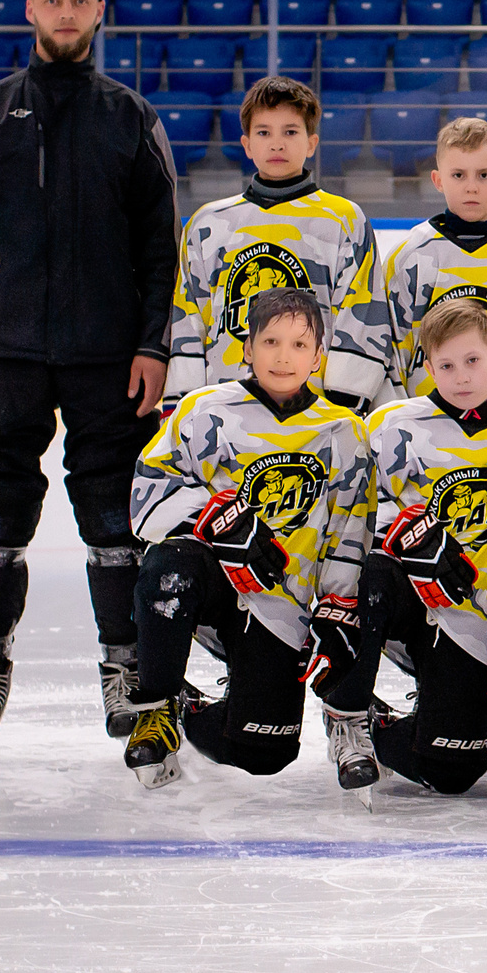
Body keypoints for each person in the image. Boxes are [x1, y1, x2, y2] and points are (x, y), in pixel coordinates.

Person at [0, 0, 183, 757]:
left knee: (115, 517)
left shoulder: (130, 117)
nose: (67, 13)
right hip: (4, 351)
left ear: (99, 12)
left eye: (80, 1)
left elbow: (159, 245)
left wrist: (152, 344)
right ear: (29, 11)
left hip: (109, 355)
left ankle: (125, 668)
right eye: (53, 1)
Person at [120, 288, 373, 789]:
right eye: (271, 342)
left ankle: (192, 705)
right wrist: (215, 518)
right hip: (214, 589)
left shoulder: (342, 432)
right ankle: (157, 704)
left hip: (281, 605)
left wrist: (336, 607)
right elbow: (144, 506)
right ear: (246, 349)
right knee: (168, 566)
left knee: (263, 753)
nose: (284, 357)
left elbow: (351, 531)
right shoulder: (203, 412)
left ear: (319, 355)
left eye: (300, 345)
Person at [311, 298, 487, 797]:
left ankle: (385, 726)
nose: (461, 376)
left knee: (453, 771)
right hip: (406, 603)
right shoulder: (391, 426)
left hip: (473, 620)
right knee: (372, 574)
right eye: (446, 365)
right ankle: (348, 712)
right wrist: (407, 528)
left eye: (472, 361)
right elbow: (352, 517)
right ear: (427, 367)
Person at [338, 115, 487, 440]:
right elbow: (391, 353)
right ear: (438, 180)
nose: (471, 185)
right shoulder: (411, 255)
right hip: (431, 443)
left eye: (484, 174)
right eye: (458, 174)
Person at [164, 76, 382, 413]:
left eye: (290, 132)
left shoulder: (343, 219)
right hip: (227, 410)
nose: (277, 144)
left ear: (312, 143)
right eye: (264, 132)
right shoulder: (207, 223)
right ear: (247, 145)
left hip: (314, 411)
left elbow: (362, 313)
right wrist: (183, 403)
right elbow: (188, 318)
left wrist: (342, 404)